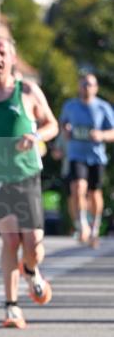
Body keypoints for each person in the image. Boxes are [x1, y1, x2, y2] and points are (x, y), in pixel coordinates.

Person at [0, 35, 58, 330]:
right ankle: (12, 306)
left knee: (33, 245)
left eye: (2, 53)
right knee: (10, 240)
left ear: (12, 58)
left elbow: (52, 124)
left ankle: (31, 270)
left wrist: (35, 136)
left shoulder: (27, 90)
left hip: (26, 174)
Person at [60, 73, 114, 247]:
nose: (86, 88)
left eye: (89, 84)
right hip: (76, 155)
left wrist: (101, 135)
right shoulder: (70, 106)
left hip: (96, 157)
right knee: (77, 188)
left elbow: (113, 132)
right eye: (83, 84)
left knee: (94, 193)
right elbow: (62, 125)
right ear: (79, 87)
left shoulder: (103, 107)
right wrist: (66, 131)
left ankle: (94, 227)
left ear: (96, 88)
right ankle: (82, 224)